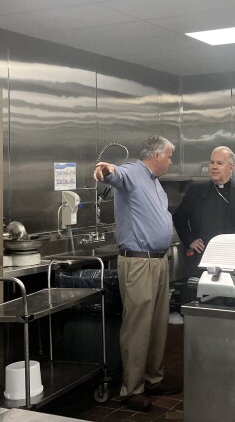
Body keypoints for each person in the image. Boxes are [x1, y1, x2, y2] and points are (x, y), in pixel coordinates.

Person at [93, 135, 181, 412]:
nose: (170, 161)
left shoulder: (155, 183)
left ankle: (152, 378)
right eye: (169, 156)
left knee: (157, 324)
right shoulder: (132, 172)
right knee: (138, 327)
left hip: (158, 261)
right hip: (139, 262)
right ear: (156, 156)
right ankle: (131, 390)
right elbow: (113, 174)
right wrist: (106, 169)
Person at [173, 146, 235, 277]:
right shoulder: (196, 190)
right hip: (204, 259)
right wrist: (190, 240)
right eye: (212, 162)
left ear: (231, 167)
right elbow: (179, 217)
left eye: (219, 163)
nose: (214, 167)